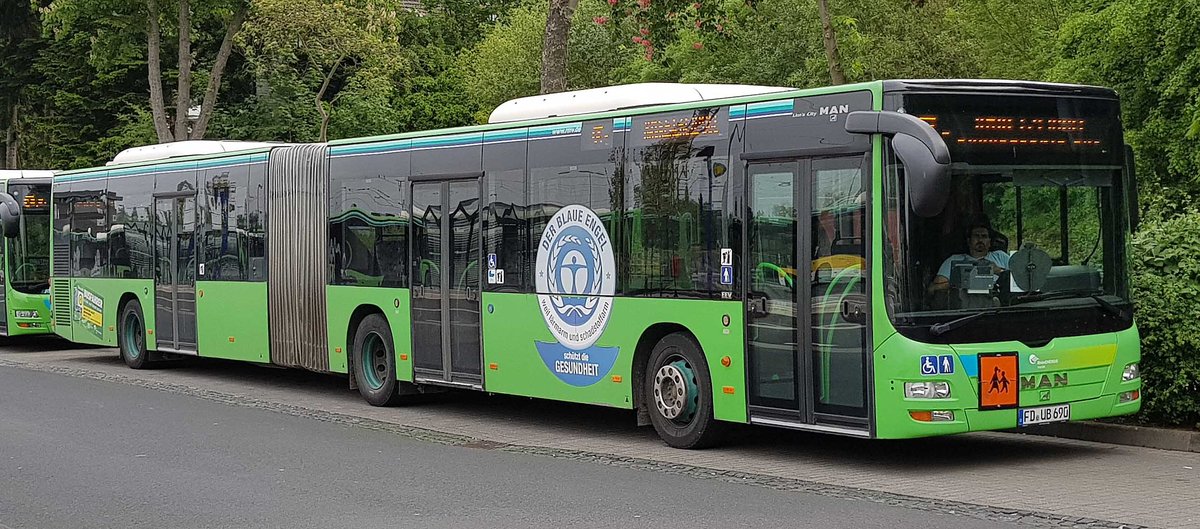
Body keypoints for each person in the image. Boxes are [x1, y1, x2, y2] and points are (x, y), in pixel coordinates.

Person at [927, 215, 1009, 295]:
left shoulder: (1001, 257)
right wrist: (962, 282)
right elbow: (932, 289)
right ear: (969, 241)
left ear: (990, 242)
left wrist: (998, 271)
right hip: (966, 305)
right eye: (976, 236)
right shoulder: (954, 260)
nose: (980, 240)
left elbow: (1019, 281)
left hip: (999, 304)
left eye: (984, 236)